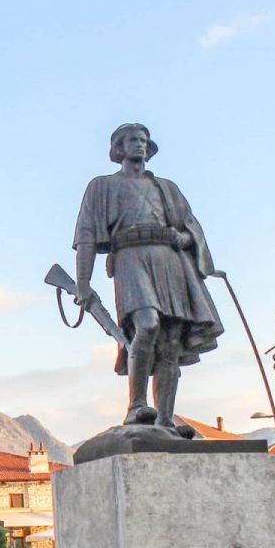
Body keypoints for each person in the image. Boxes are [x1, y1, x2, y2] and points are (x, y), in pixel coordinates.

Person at [71, 122, 224, 428]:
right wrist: (82, 283)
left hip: (169, 260)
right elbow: (86, 235)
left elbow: (191, 227)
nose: (139, 144)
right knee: (147, 323)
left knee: (170, 340)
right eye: (132, 140)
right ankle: (137, 406)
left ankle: (165, 418)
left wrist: (184, 237)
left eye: (143, 140)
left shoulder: (166, 188)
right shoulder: (102, 186)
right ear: (119, 148)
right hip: (130, 257)